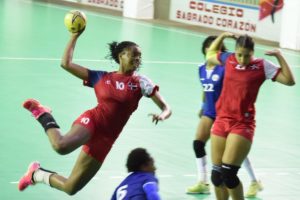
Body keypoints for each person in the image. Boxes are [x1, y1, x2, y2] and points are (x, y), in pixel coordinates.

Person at [18, 29, 172, 195]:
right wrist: (74, 36)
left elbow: (166, 107)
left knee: (71, 188)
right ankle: (42, 113)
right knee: (61, 146)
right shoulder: (101, 77)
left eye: (140, 56)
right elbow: (66, 64)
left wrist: (162, 115)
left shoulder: (141, 82)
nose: (138, 58)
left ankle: (36, 174)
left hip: (106, 139)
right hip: (93, 121)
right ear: (121, 55)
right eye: (134, 54)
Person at [206, 32, 295, 200]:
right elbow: (210, 54)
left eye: (246, 56)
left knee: (228, 174)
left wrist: (279, 56)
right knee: (217, 177)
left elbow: (289, 81)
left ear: (252, 53)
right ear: (235, 51)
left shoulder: (261, 66)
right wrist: (223, 36)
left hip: (242, 124)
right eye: (239, 54)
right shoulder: (228, 59)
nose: (242, 59)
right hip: (221, 120)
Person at [186, 36, 263, 198]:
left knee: (232, 159)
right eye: (208, 47)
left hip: (227, 114)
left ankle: (255, 180)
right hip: (210, 112)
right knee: (199, 145)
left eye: (214, 48)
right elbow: (206, 88)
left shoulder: (226, 66)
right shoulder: (201, 68)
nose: (211, 50)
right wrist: (202, 106)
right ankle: (203, 181)